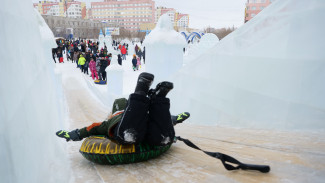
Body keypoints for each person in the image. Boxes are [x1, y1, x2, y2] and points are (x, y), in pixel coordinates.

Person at [56, 72, 190, 146]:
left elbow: (92, 128)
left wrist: (74, 134)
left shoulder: (109, 121)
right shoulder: (114, 119)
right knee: (158, 133)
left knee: (135, 128)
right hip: (139, 126)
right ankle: (156, 97)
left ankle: (144, 92)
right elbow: (165, 119)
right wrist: (176, 119)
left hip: (131, 129)